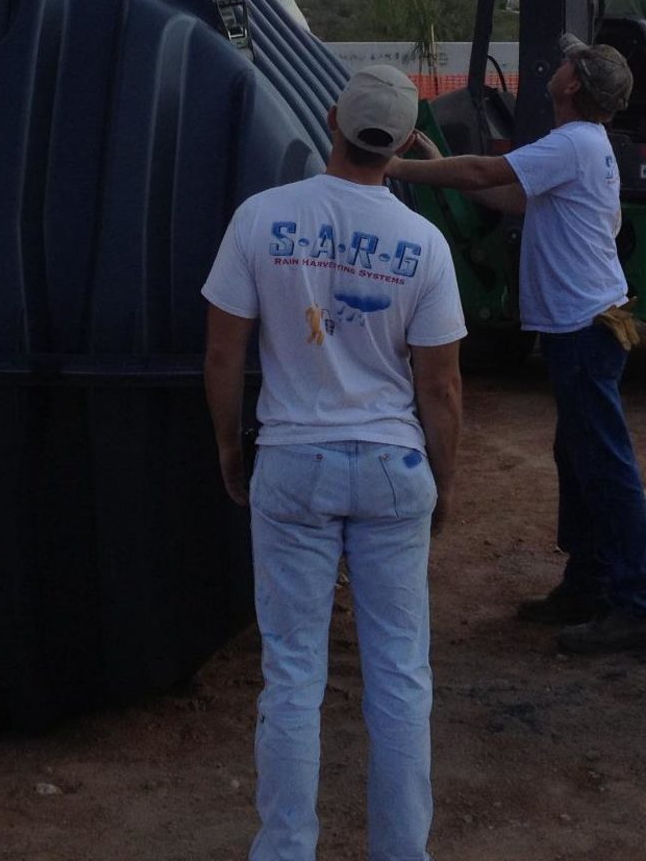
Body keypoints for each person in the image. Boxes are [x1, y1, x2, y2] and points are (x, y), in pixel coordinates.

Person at [203, 64, 465, 861]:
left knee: (291, 676)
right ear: (408, 143)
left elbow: (222, 351)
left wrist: (227, 446)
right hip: (392, 468)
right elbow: (441, 384)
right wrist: (443, 483)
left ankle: (283, 850)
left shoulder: (261, 217)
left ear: (331, 121)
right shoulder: (424, 243)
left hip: (291, 463)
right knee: (398, 676)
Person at [386, 36, 646, 656]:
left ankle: (635, 607)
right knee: (580, 460)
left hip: (584, 329)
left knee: (607, 468)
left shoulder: (572, 142)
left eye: (565, 61)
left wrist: (394, 167)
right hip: (586, 325)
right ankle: (588, 586)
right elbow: (507, 194)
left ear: (573, 85)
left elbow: (489, 172)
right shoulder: (582, 146)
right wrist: (436, 156)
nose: (555, 63)